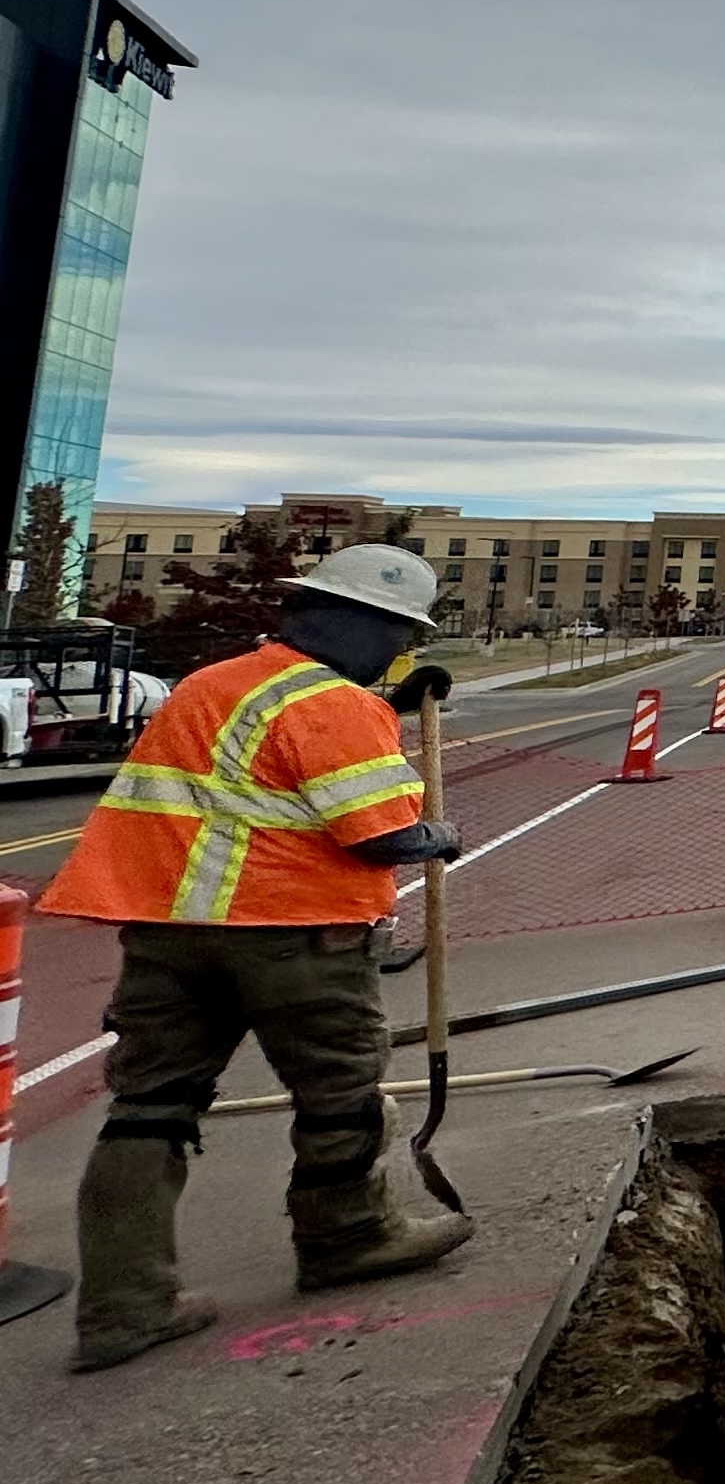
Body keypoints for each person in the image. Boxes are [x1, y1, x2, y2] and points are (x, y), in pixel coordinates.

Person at [50, 542, 472, 1373]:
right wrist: (442, 835)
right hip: (293, 933)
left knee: (150, 1109)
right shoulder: (335, 705)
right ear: (366, 625)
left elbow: (253, 779)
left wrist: (386, 701)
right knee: (339, 1098)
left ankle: (122, 1308)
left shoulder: (214, 684)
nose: (398, 655)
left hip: (169, 933)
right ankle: (348, 1238)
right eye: (399, 640)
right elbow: (379, 834)